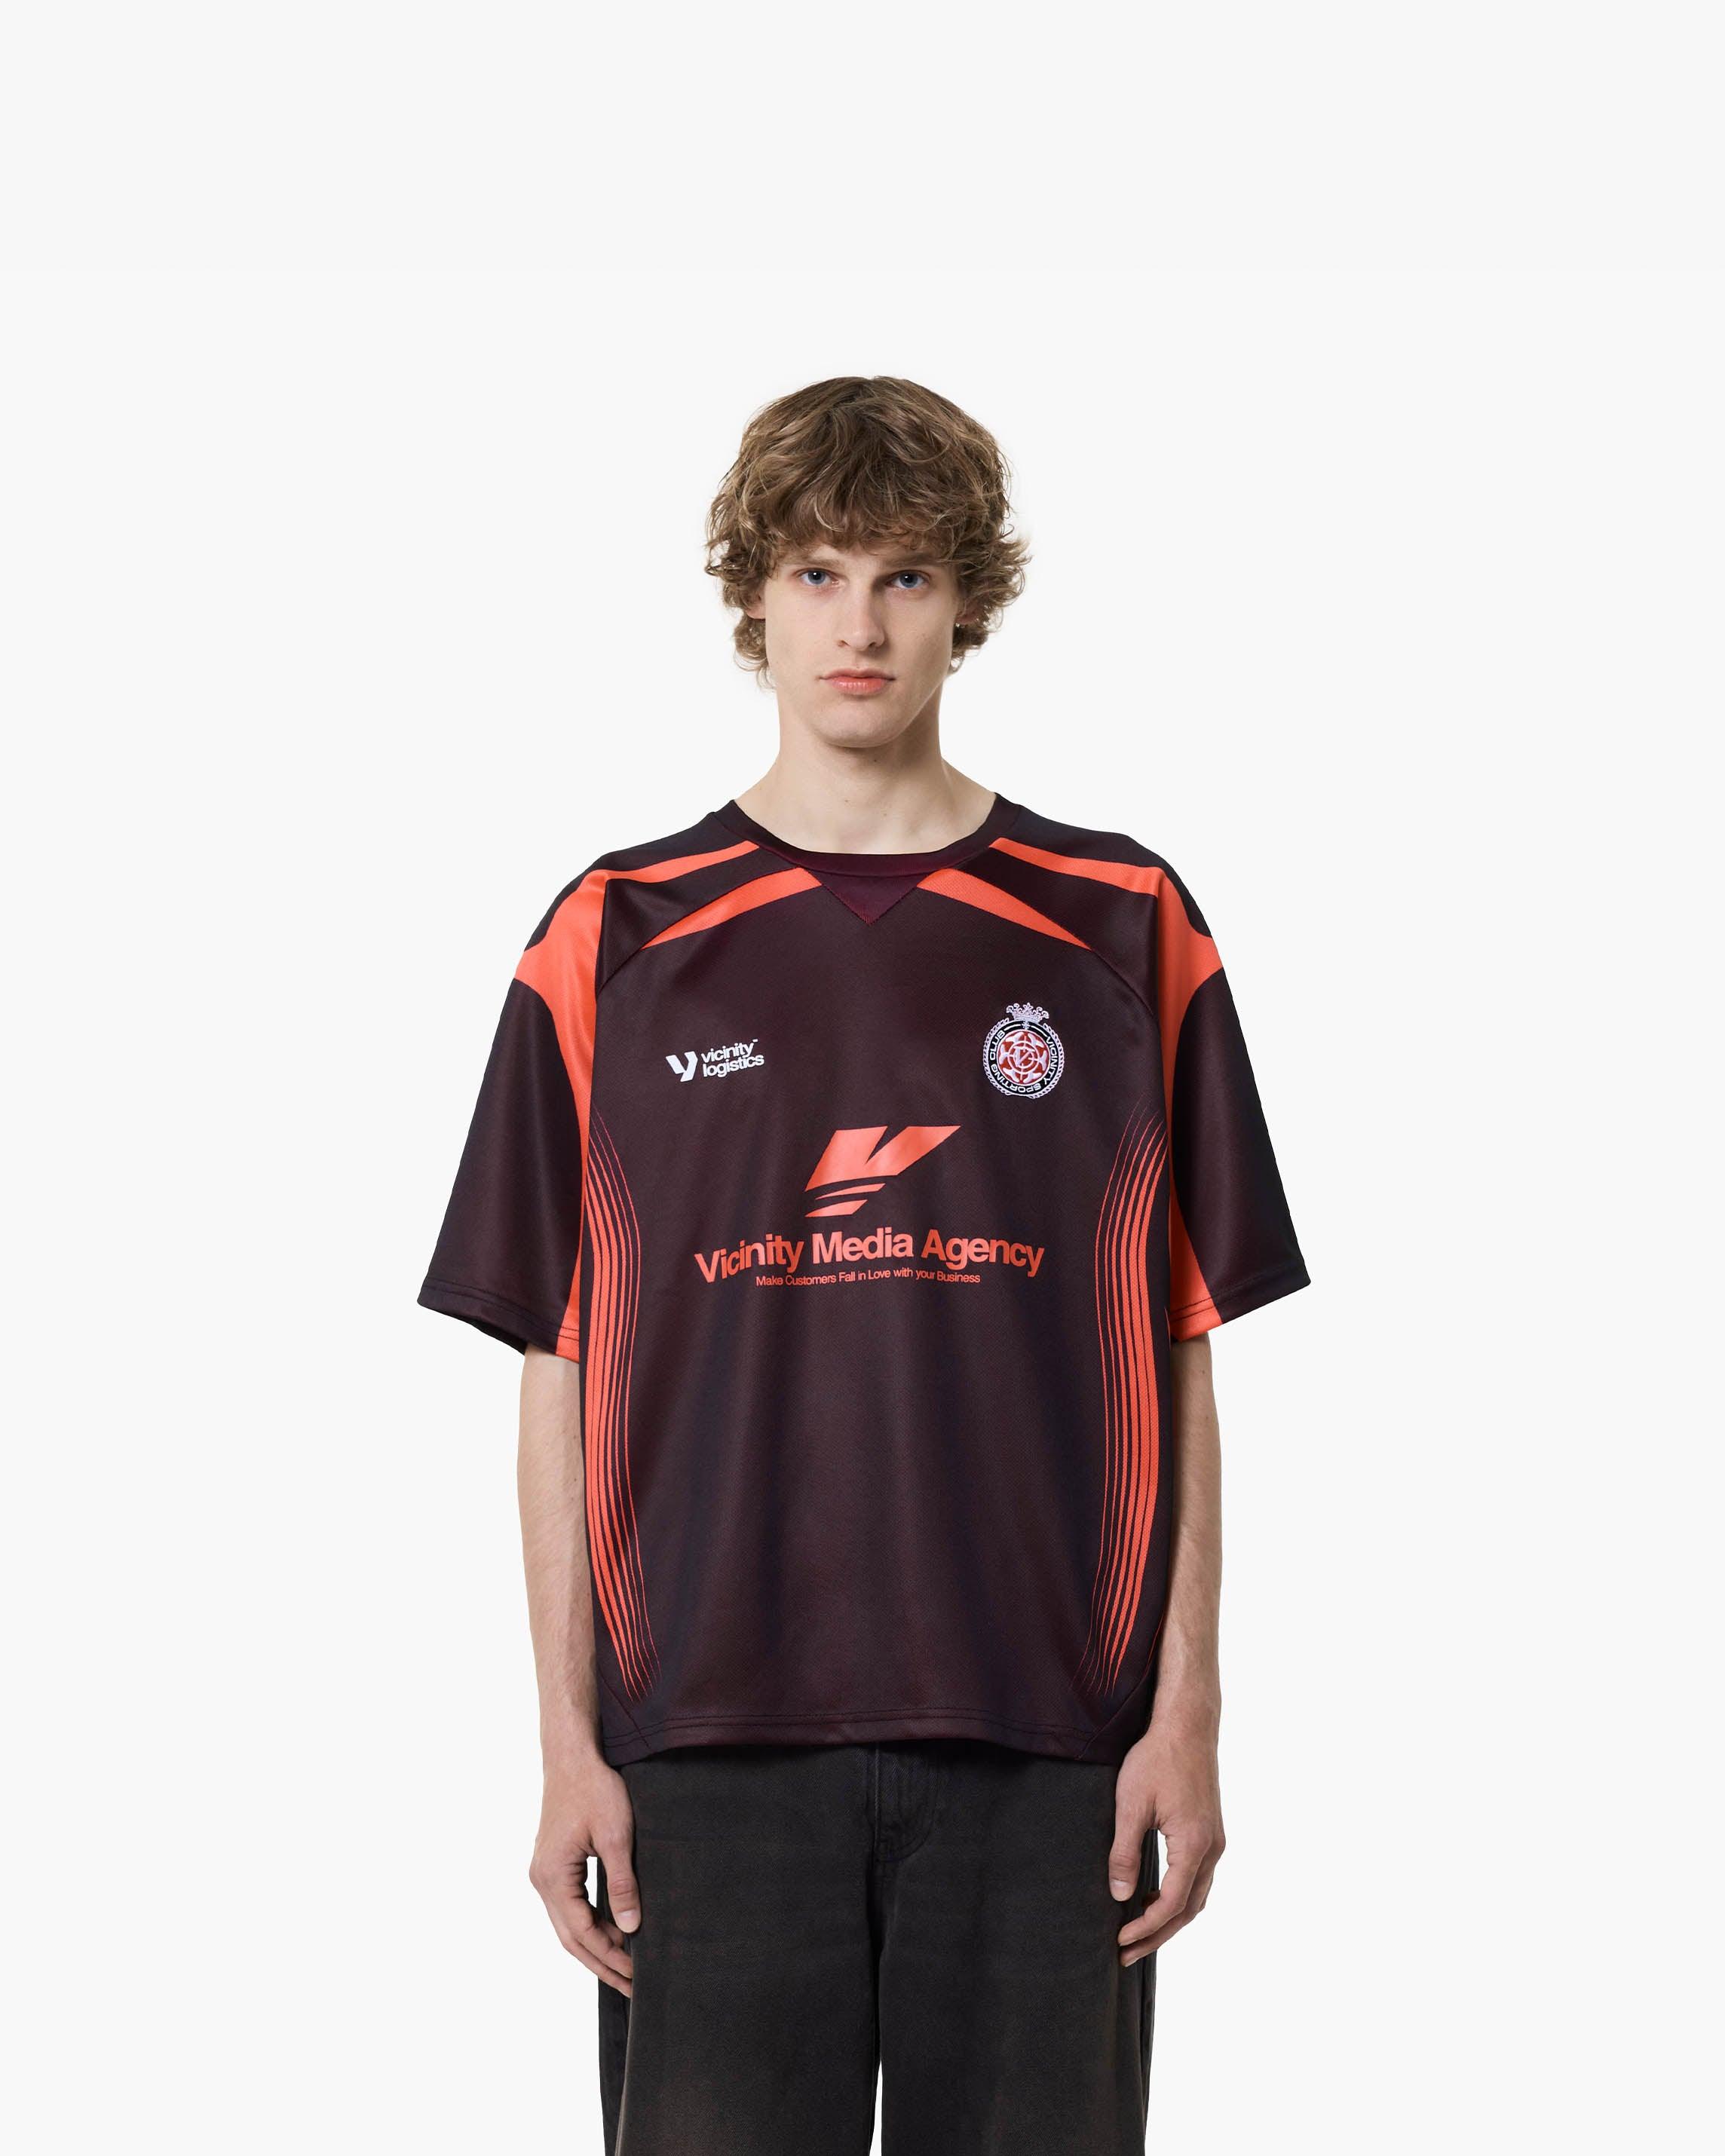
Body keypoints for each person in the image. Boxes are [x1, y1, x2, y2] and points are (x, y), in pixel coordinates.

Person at [418, 375, 1310, 2154]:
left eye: (904, 576)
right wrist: (568, 1740)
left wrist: (1189, 1712)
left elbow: (1183, 1343)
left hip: (1051, 1740)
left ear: (968, 599)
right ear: (751, 594)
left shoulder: (1121, 920)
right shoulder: (614, 934)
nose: (859, 624)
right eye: (818, 573)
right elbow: (556, 1365)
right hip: (706, 1741)